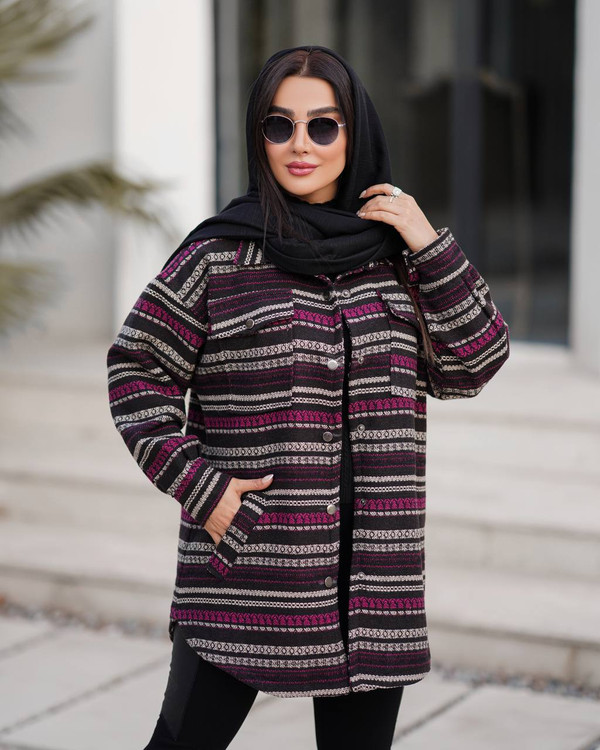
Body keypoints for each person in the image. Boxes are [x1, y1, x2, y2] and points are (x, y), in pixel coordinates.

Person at [107, 45, 510, 750]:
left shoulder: (396, 260)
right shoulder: (219, 256)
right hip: (249, 567)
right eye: (279, 125)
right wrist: (203, 488)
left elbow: (474, 362)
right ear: (258, 135)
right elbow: (136, 370)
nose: (300, 145)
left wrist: (428, 243)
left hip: (375, 587)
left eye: (323, 126)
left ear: (355, 134)